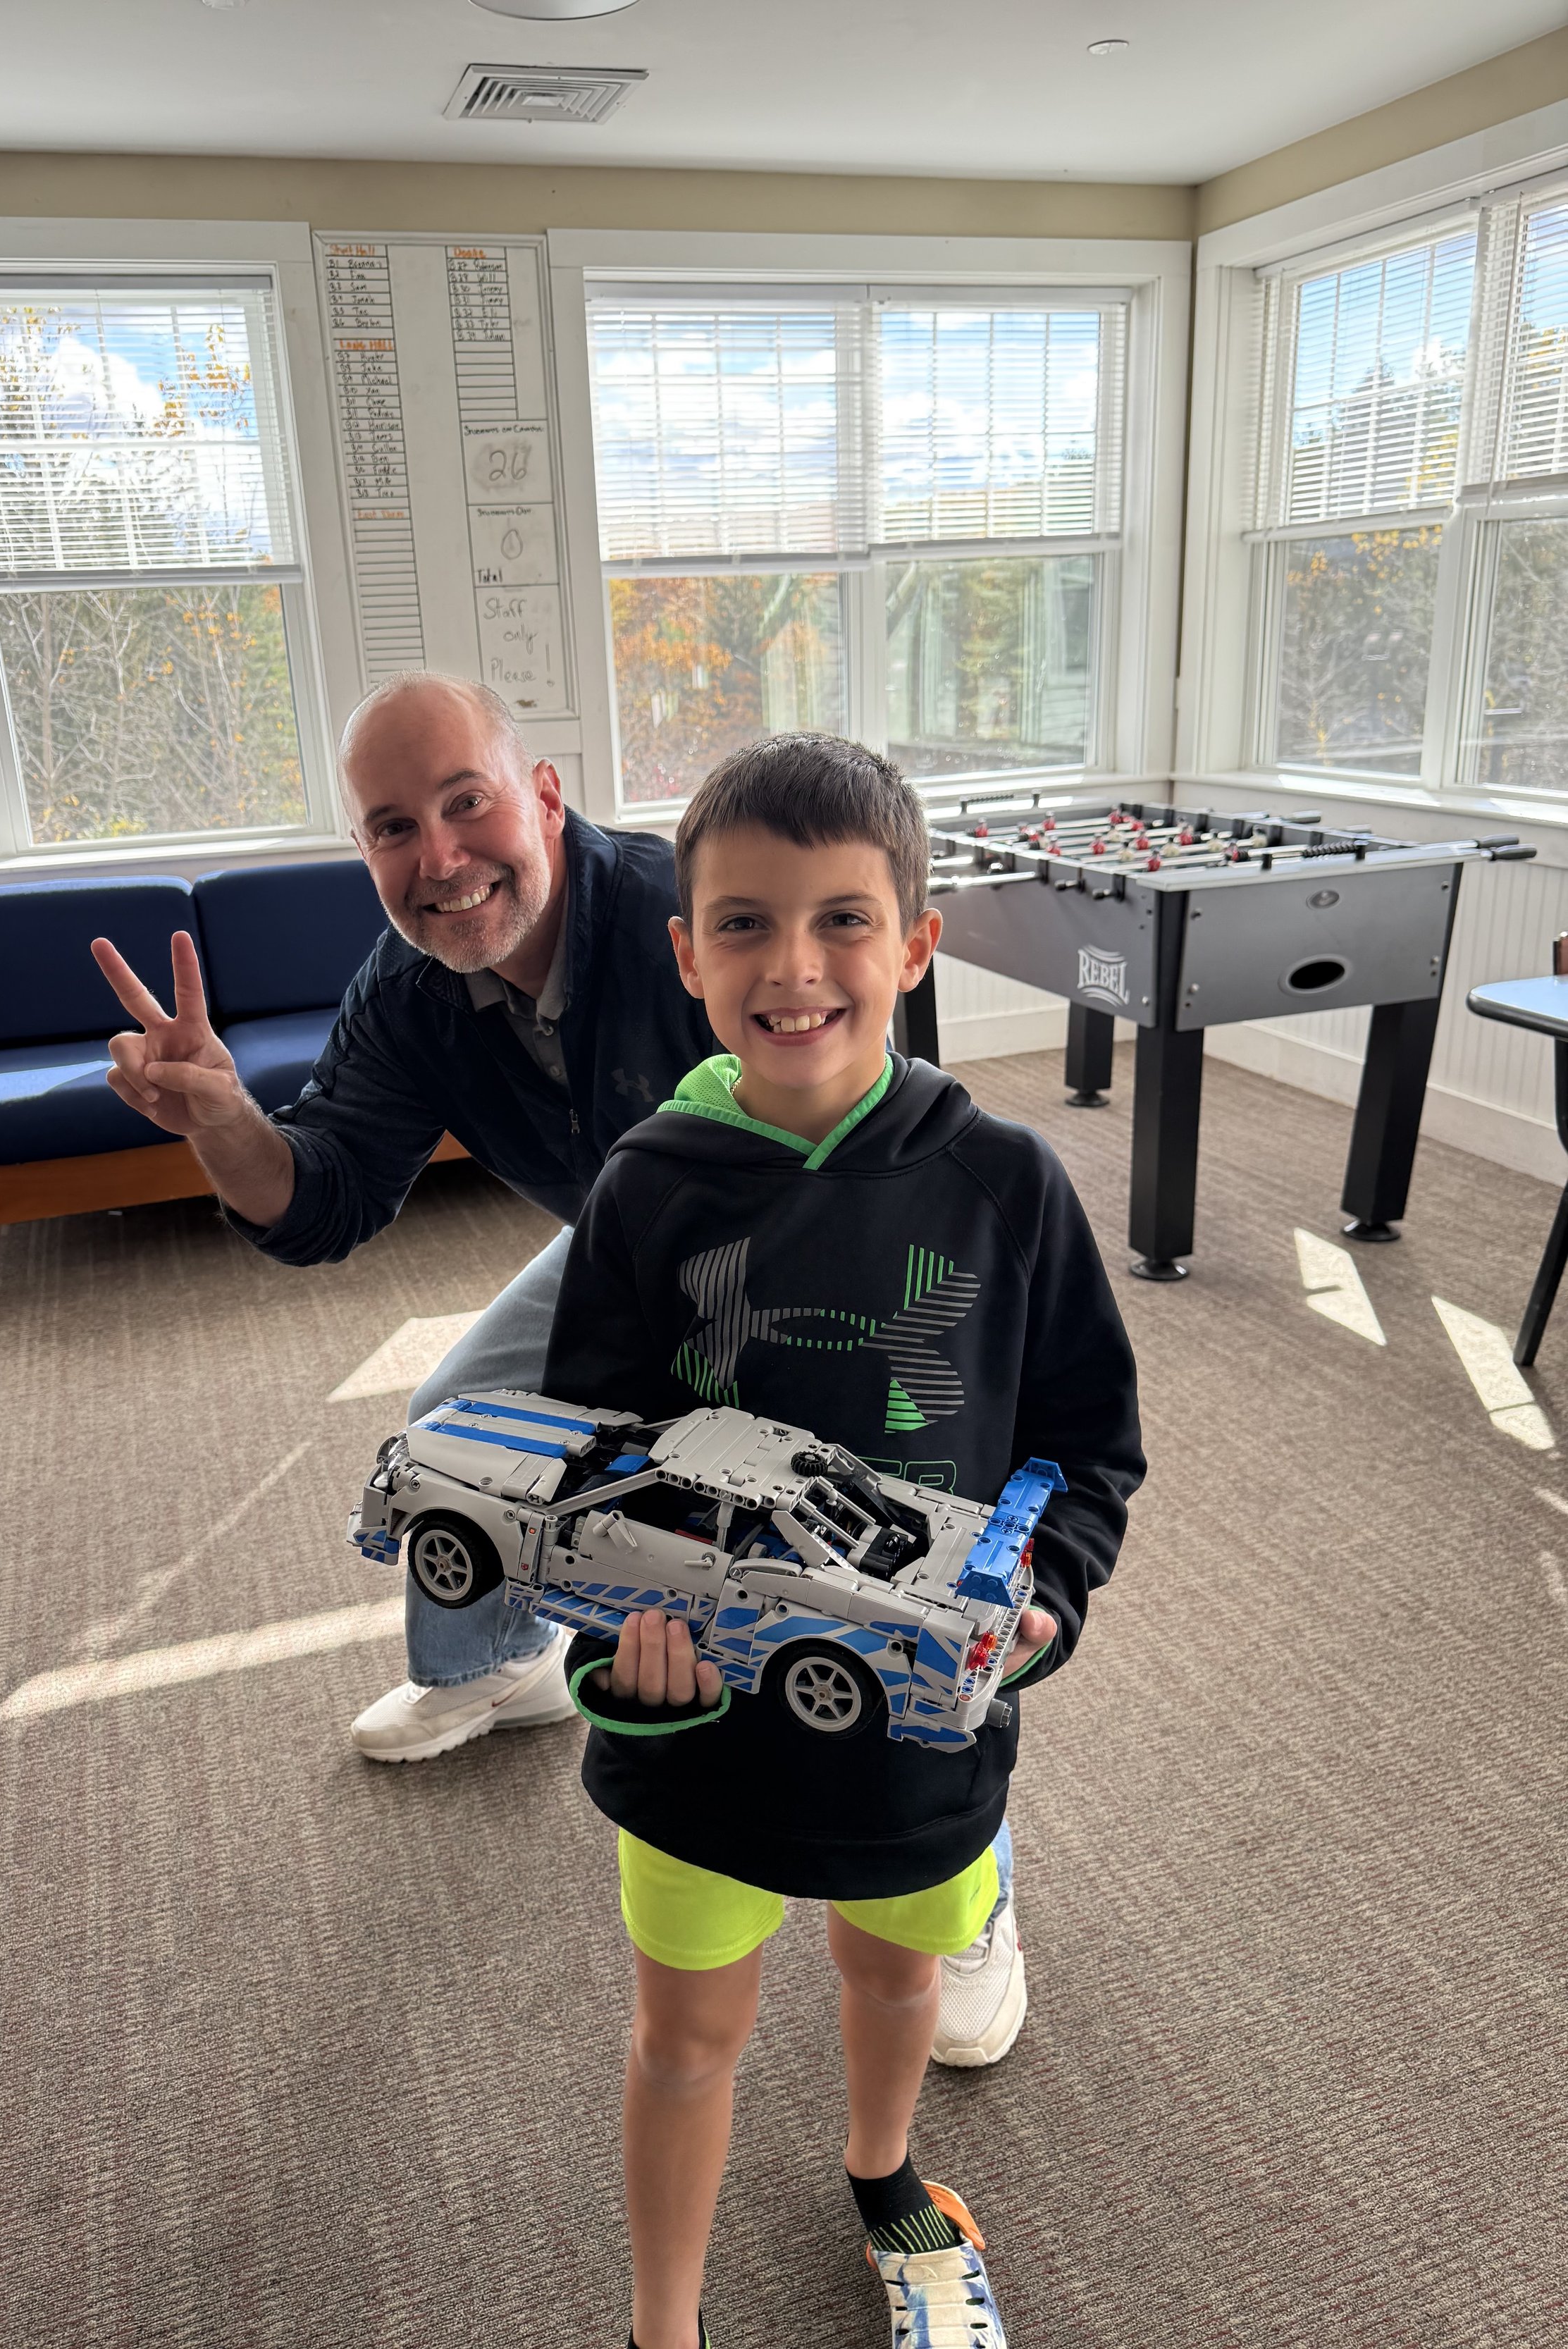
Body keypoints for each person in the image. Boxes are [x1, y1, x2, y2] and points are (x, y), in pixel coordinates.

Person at [91, 674, 1033, 2066]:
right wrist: (225, 1117)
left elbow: (873, 1109)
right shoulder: (410, 989)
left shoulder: (682, 914)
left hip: (828, 1245)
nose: (440, 856)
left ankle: (967, 1889)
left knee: (886, 1554)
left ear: (540, 797)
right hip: (628, 1246)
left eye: (465, 801)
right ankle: (493, 1657)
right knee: (452, 1422)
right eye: (393, 826)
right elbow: (322, 1203)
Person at [536, 734, 1144, 2348]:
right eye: (739, 921)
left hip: (919, 1719)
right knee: (686, 2032)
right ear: (683, 950)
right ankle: (660, 2324)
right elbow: (581, 1461)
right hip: (697, 1725)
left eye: (840, 920)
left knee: (895, 1981)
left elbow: (1085, 1437)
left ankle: (881, 2168)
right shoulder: (645, 1190)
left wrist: (1050, 1596)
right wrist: (620, 1637)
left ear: (916, 942)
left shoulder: (1005, 1182)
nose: (790, 966)